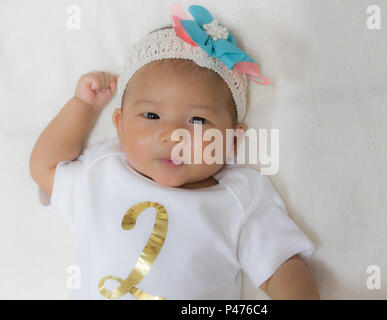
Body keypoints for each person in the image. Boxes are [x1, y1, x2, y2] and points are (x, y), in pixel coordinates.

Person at [29, 3, 319, 300]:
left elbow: (282, 266)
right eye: (151, 116)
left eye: (197, 120)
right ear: (120, 125)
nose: (172, 135)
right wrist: (84, 107)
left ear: (232, 141)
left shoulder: (239, 198)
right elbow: (44, 167)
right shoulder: (103, 172)